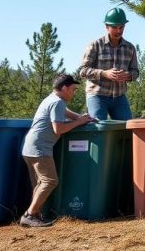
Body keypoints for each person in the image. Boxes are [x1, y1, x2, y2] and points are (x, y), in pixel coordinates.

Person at [20, 73, 94, 227]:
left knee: (40, 183)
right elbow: (58, 129)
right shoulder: (57, 102)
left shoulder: (51, 99)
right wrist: (80, 121)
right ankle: (30, 215)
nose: (74, 93)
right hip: (40, 149)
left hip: (29, 147)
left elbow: (66, 113)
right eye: (73, 90)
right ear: (64, 88)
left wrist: (82, 117)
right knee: (50, 181)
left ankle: (34, 215)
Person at [78, 7, 139, 120]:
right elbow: (82, 70)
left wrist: (128, 76)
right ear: (107, 27)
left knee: (127, 129)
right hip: (97, 95)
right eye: (115, 27)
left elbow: (135, 72)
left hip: (119, 96)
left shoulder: (130, 48)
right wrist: (104, 73)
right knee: (98, 128)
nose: (119, 31)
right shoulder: (95, 45)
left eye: (121, 27)